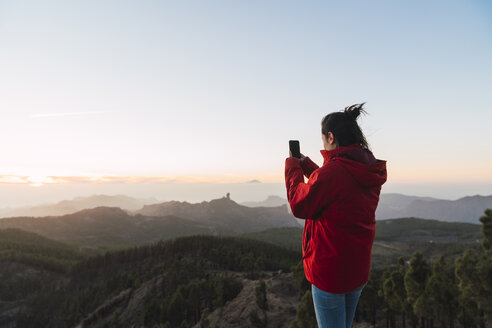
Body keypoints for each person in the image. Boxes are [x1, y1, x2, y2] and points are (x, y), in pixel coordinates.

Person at [284, 103, 387, 328]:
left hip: (329, 272)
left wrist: (293, 166)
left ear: (331, 137)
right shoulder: (367, 167)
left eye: (323, 140)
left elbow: (299, 204)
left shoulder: (334, 173)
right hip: (357, 270)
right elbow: (338, 187)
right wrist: (308, 165)